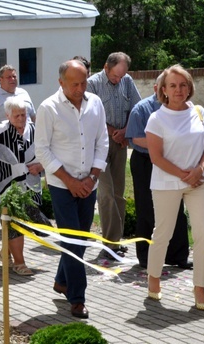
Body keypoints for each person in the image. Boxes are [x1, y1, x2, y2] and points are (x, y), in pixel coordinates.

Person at [35, 60, 108, 319]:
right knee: (72, 240)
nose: (80, 88)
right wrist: (70, 181)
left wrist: (92, 176)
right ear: (61, 82)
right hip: (61, 185)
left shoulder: (95, 104)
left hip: (90, 184)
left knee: (82, 238)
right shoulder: (48, 108)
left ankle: (61, 281)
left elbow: (102, 141)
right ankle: (77, 299)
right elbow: (42, 150)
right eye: (74, 83)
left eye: (84, 82)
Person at [145, 65, 204, 311]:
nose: (178, 89)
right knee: (163, 233)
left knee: (203, 234)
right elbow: (156, 157)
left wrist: (199, 170)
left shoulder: (199, 111)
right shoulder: (156, 118)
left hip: (198, 181)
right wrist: (185, 175)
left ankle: (200, 287)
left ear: (189, 87)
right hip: (167, 183)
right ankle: (153, 278)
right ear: (163, 90)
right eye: (173, 85)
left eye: (183, 85)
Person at [126, 74, 191, 269]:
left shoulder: (181, 108)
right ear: (158, 88)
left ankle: (177, 256)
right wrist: (164, 144)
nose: (173, 90)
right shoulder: (142, 109)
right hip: (145, 162)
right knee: (146, 208)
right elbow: (135, 138)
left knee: (177, 207)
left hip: (172, 162)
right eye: (169, 86)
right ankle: (146, 257)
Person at [87, 52, 141, 256]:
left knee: (119, 192)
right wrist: (114, 132)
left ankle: (116, 240)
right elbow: (91, 116)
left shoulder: (127, 81)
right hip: (99, 142)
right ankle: (109, 243)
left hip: (121, 142)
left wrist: (127, 130)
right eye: (115, 76)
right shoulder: (92, 84)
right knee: (107, 192)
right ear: (106, 67)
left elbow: (136, 108)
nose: (118, 80)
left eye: (122, 75)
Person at [0, 97, 51, 275]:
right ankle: (19, 263)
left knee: (21, 222)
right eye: (16, 115)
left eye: (23, 115)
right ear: (7, 115)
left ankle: (5, 252)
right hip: (6, 185)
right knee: (15, 219)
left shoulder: (35, 130)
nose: (21, 118)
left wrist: (41, 166)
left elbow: (48, 152)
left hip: (31, 185)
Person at [0, 64, 35, 132]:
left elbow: (33, 117)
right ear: (0, 80)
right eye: (9, 77)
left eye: (14, 76)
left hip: (28, 139)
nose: (12, 79)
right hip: (5, 140)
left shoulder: (24, 93)